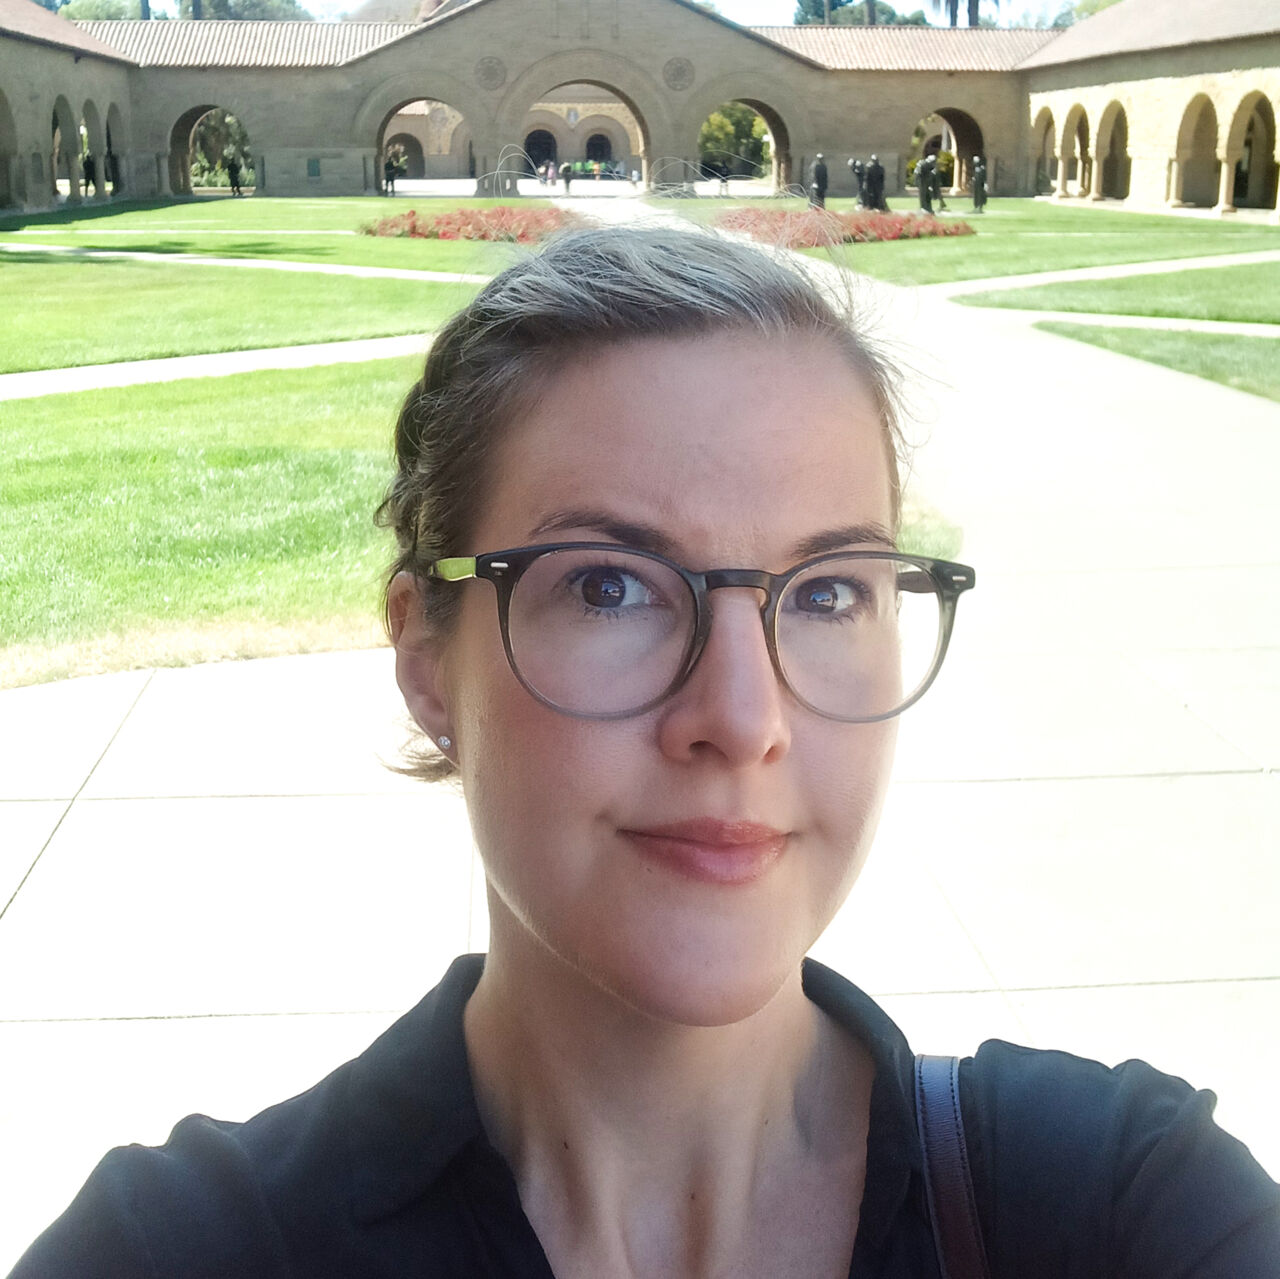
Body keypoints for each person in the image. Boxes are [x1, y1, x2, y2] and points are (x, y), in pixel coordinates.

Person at [10, 227, 1279, 1279]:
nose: (742, 715)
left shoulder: (1122, 1201)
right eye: (609, 586)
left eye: (828, 591)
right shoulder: (180, 1250)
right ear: (426, 659)